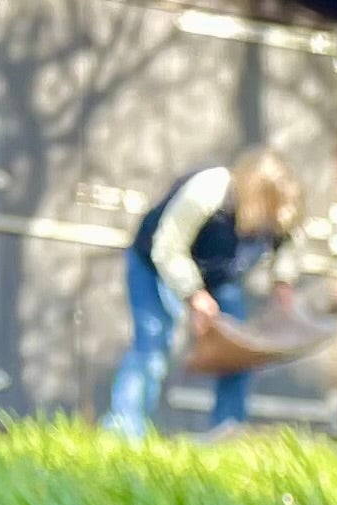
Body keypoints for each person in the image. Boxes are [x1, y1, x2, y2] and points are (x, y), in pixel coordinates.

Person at [105, 149, 304, 437]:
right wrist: (194, 295)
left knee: (241, 352)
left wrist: (283, 282)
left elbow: (289, 242)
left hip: (218, 277)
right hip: (155, 263)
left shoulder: (276, 210)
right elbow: (168, 248)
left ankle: (226, 432)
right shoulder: (209, 191)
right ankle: (124, 430)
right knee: (152, 344)